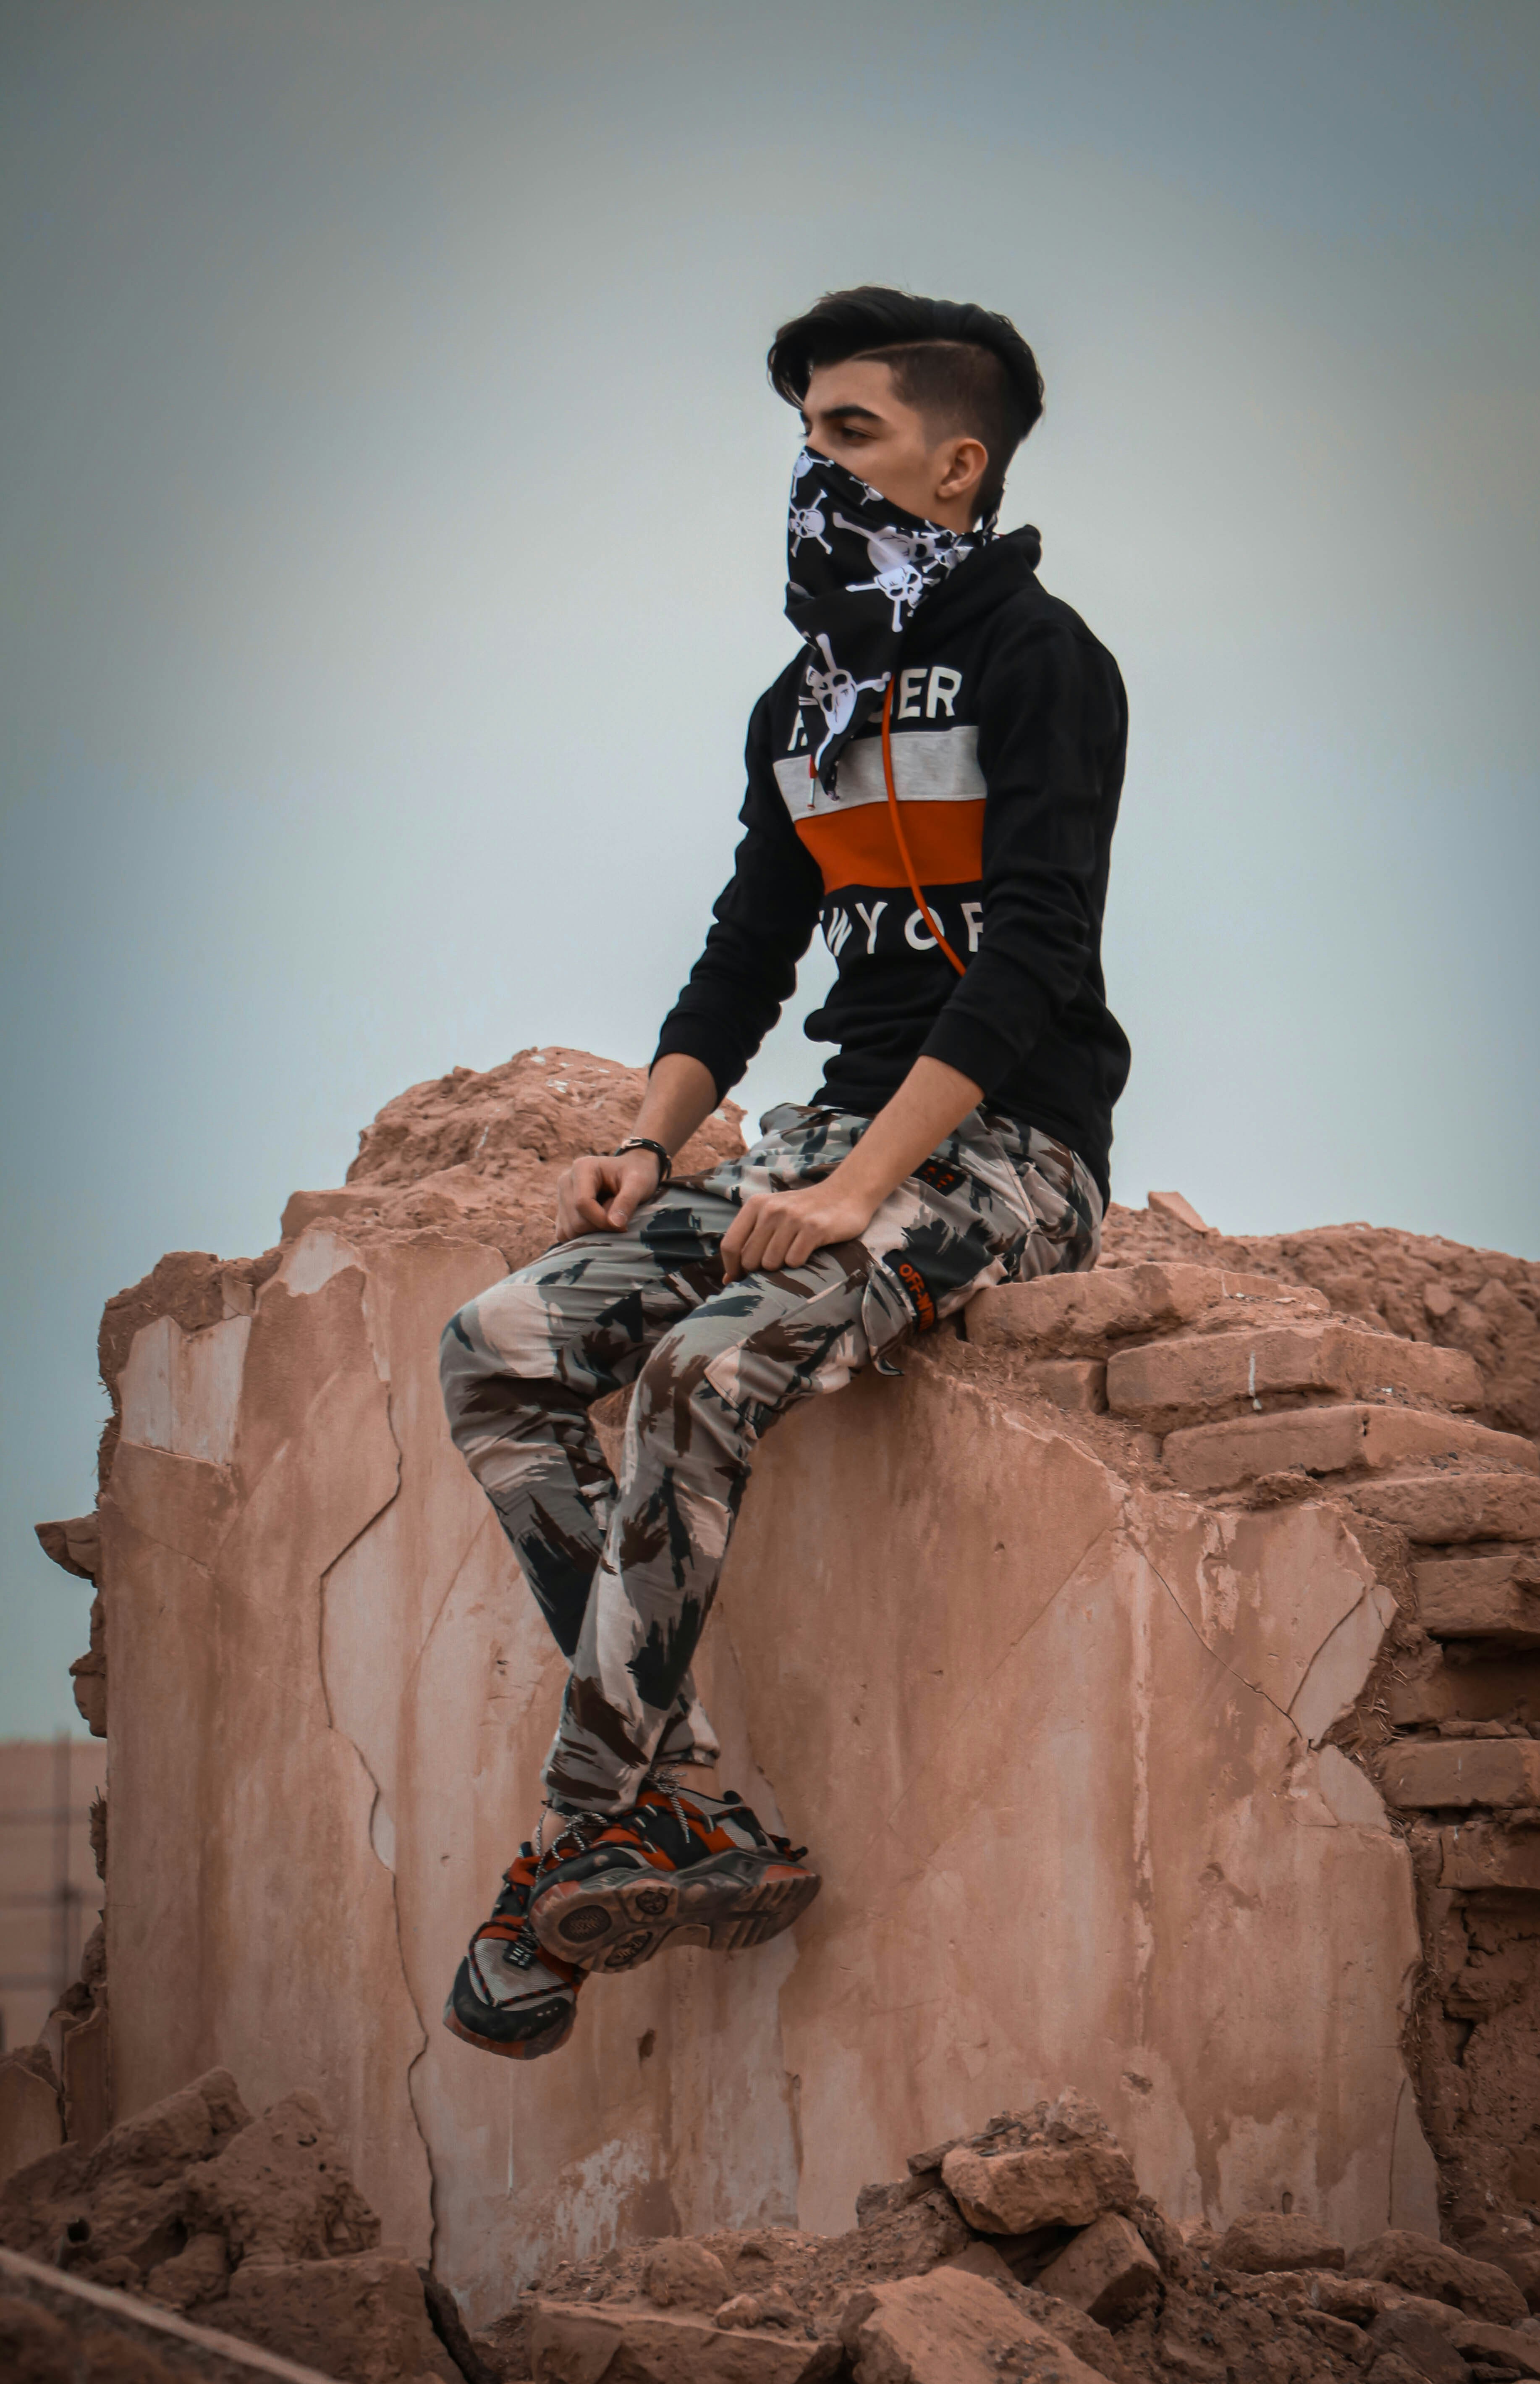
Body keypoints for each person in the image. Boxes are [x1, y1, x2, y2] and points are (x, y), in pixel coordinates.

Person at [438, 286, 1131, 2059]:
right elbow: (751, 945)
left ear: (954, 465)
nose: (812, 467)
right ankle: (675, 1798)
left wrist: (848, 1193)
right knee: (499, 1352)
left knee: (694, 1371)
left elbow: (1036, 950)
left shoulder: (1045, 661)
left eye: (849, 434)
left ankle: (583, 1835)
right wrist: (649, 1138)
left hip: (1002, 1154)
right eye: (804, 434)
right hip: (832, 1143)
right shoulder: (803, 694)